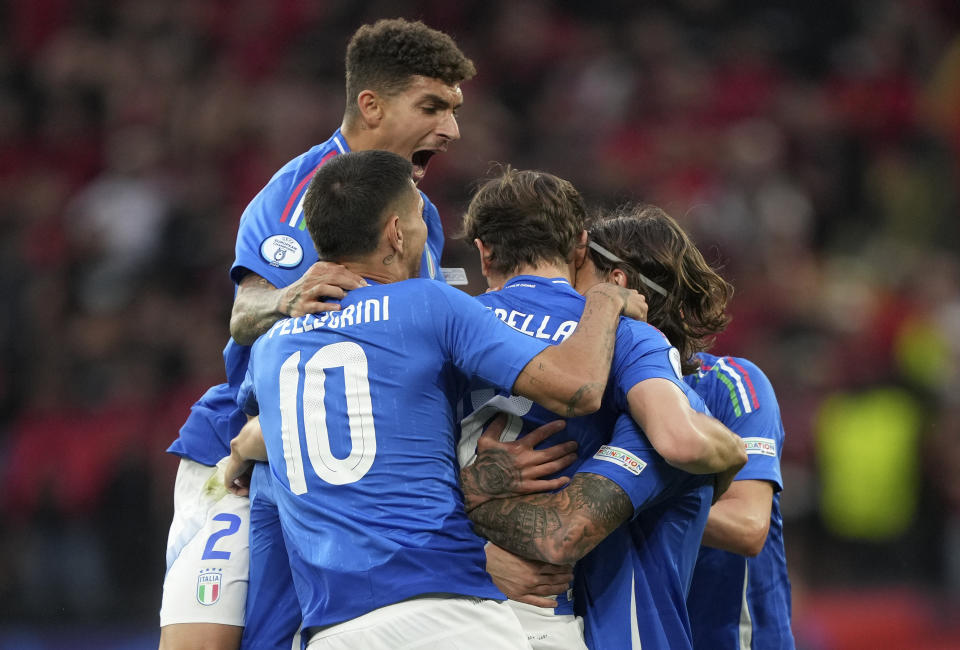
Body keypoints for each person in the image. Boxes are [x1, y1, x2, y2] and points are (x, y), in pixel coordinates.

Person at [233, 149, 646, 649]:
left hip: (333, 629)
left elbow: (263, 432)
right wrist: (605, 299)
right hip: (446, 615)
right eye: (418, 217)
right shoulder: (426, 304)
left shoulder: (271, 349)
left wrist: (237, 456)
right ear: (396, 233)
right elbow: (578, 388)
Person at [158, 18, 476, 650]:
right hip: (248, 456)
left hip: (345, 460)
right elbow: (244, 313)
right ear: (372, 105)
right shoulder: (298, 194)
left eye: (454, 109)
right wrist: (285, 295)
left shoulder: (421, 214)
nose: (452, 129)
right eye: (432, 106)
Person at [457, 171, 746, 649]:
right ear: (579, 247)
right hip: (544, 610)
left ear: (484, 251)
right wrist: (731, 451)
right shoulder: (626, 335)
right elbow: (677, 439)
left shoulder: (444, 320)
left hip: (436, 604)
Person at [684, 353, 794, 649]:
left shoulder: (730, 383)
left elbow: (747, 527)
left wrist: (622, 502)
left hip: (733, 636)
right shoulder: (582, 390)